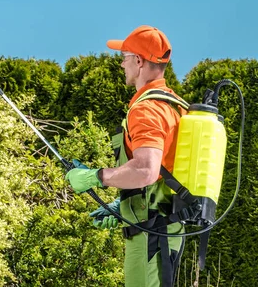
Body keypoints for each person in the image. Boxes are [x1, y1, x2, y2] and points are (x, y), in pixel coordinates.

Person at [65, 25, 188, 287]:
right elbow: (165, 173)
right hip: (166, 226)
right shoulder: (174, 105)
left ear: (139, 61)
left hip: (151, 234)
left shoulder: (147, 109)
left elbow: (146, 170)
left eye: (124, 57)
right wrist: (122, 208)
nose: (121, 64)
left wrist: (94, 177)